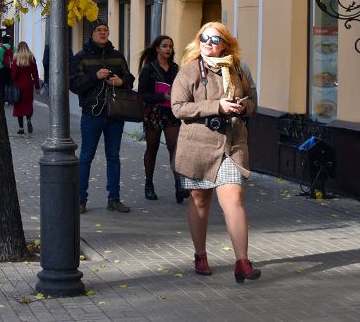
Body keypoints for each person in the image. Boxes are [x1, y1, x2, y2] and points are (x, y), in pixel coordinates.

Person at [171, 22, 260, 283]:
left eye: (215, 39)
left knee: (234, 198)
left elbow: (253, 102)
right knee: (200, 201)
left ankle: (242, 262)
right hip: (198, 146)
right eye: (204, 38)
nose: (209, 43)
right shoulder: (188, 72)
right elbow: (178, 108)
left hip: (232, 144)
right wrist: (216, 107)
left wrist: (244, 108)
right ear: (198, 42)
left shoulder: (239, 70)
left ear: (225, 44)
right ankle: (200, 254)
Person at [70, 19, 134, 214]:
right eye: (99, 30)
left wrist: (121, 81)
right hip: (92, 114)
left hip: (115, 113)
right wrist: (94, 76)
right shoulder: (81, 57)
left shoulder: (117, 56)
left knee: (113, 157)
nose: (103, 33)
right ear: (91, 34)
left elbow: (130, 78)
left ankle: (114, 199)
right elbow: (74, 84)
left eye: (106, 30)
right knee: (86, 157)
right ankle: (81, 200)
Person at [137, 35, 186, 203]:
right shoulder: (148, 69)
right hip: (153, 113)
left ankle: (179, 185)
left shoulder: (174, 68)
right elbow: (142, 95)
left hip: (171, 112)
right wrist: (161, 96)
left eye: (170, 47)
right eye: (164, 46)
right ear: (157, 48)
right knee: (152, 148)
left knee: (175, 149)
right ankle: (148, 184)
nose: (168, 49)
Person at [10, 41, 40, 134]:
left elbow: (14, 74)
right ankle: (28, 120)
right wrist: (37, 86)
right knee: (28, 104)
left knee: (19, 106)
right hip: (28, 85)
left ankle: (21, 128)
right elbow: (35, 74)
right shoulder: (31, 58)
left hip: (18, 85)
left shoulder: (16, 58)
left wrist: (11, 82)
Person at [0, 34, 13, 104]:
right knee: (10, 84)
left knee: (1, 85)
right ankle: (10, 100)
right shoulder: (13, 48)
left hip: (1, 68)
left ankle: (2, 100)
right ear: (9, 41)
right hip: (11, 68)